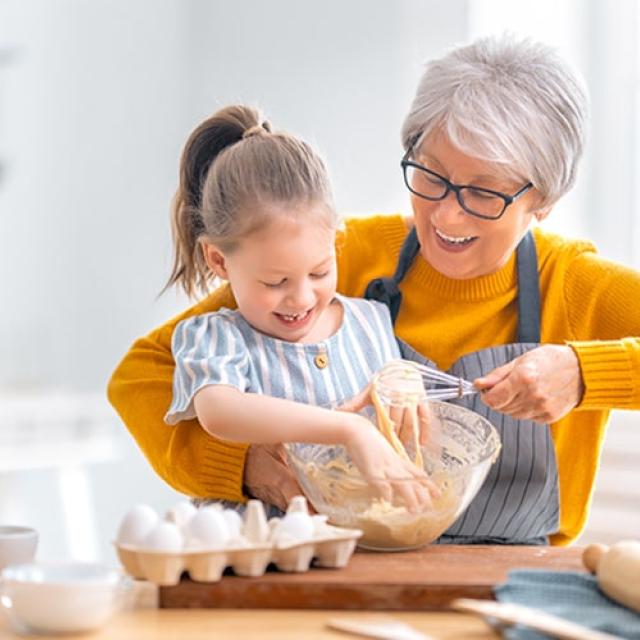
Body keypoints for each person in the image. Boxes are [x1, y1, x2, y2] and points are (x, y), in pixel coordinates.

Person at [108, 34, 640, 546]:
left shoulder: (573, 285)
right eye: (430, 175)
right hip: (345, 565)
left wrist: (586, 373)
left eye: (483, 192)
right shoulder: (336, 260)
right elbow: (141, 376)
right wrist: (245, 467)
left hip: (509, 580)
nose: (447, 213)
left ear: (544, 200)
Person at [159, 104, 432, 511]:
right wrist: (349, 430)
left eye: (320, 272)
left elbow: (413, 432)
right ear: (219, 261)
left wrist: (405, 383)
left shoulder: (372, 322)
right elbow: (221, 412)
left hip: (359, 556)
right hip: (257, 564)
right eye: (275, 282)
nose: (302, 298)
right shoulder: (215, 338)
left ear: (336, 240)